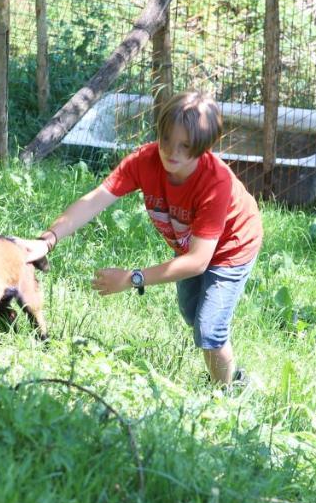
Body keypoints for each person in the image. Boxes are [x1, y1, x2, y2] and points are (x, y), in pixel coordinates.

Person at [24, 91, 263, 388]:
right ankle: (229, 374)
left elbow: (199, 262)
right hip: (190, 248)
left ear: (204, 147)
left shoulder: (216, 183)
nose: (171, 153)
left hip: (231, 248)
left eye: (185, 146)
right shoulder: (146, 160)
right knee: (193, 314)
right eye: (166, 141)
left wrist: (132, 278)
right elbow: (95, 200)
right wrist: (48, 240)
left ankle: (226, 394)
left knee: (209, 329)